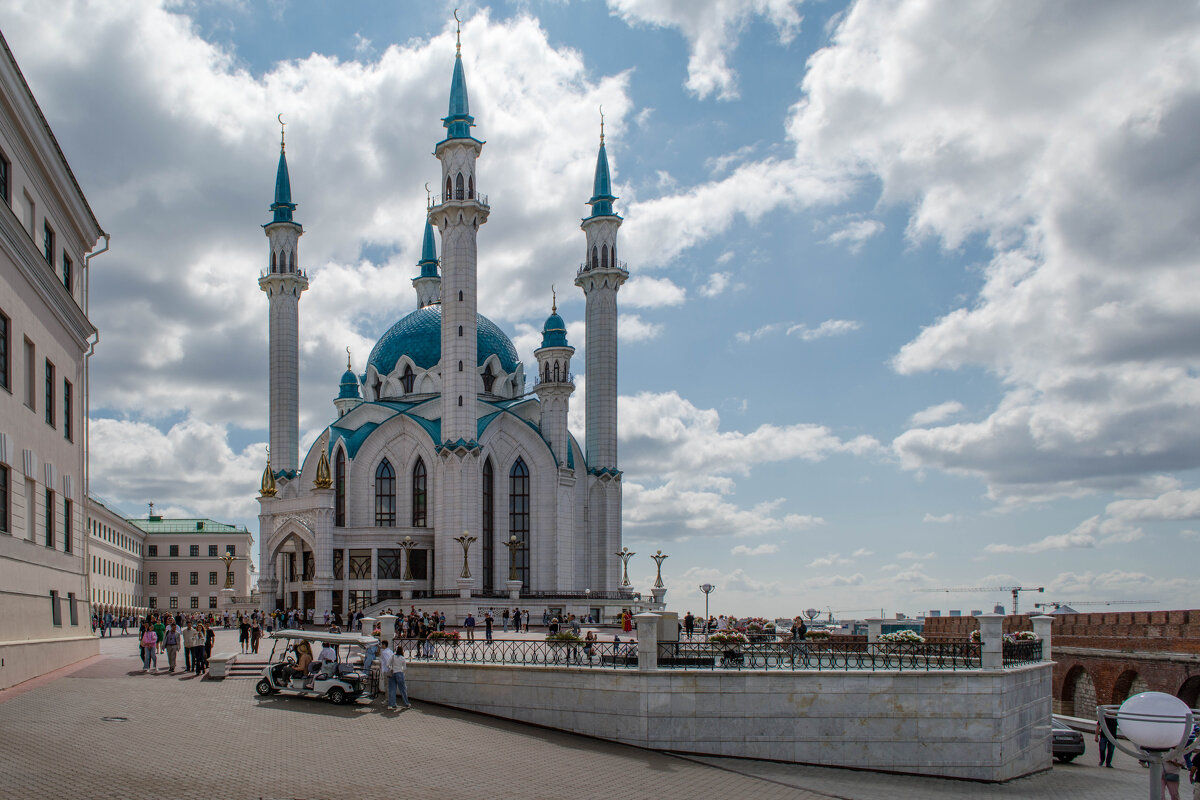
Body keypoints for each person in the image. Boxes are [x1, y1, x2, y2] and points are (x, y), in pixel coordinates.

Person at [385, 641, 410, 710]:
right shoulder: (402, 658)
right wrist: (403, 674)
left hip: (393, 673)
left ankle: (392, 704)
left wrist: (391, 668)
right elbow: (404, 668)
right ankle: (406, 703)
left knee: (392, 689)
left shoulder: (392, 656)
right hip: (400, 673)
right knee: (403, 689)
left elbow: (387, 664)